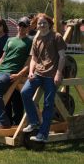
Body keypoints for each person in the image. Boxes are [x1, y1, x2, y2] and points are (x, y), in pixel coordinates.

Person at [21, 13, 67, 142]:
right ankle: (34, 121)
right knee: (25, 93)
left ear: (49, 24)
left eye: (44, 23)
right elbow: (34, 58)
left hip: (51, 76)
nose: (41, 25)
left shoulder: (56, 37)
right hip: (38, 73)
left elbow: (63, 57)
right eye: (39, 23)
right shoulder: (36, 38)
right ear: (36, 25)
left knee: (48, 104)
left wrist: (58, 73)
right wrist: (31, 71)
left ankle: (43, 135)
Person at [0, 16, 32, 128]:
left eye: (24, 26)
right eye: (20, 25)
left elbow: (29, 62)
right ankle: (4, 120)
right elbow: (2, 58)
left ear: (28, 28)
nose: (21, 28)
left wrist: (19, 74)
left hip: (11, 72)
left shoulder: (30, 41)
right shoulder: (10, 40)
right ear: (17, 26)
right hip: (0, 71)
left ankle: (3, 122)